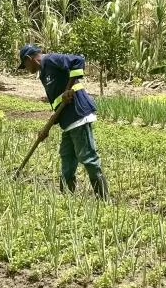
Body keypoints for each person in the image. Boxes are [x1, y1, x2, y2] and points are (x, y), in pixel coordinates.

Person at [19, 44, 108, 199]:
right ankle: (66, 197)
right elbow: (57, 103)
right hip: (67, 122)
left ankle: (103, 198)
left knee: (87, 157)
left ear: (29, 59)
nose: (26, 68)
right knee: (67, 158)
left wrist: (69, 88)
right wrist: (48, 126)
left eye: (25, 65)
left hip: (78, 115)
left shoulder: (52, 59)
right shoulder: (43, 73)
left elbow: (78, 60)